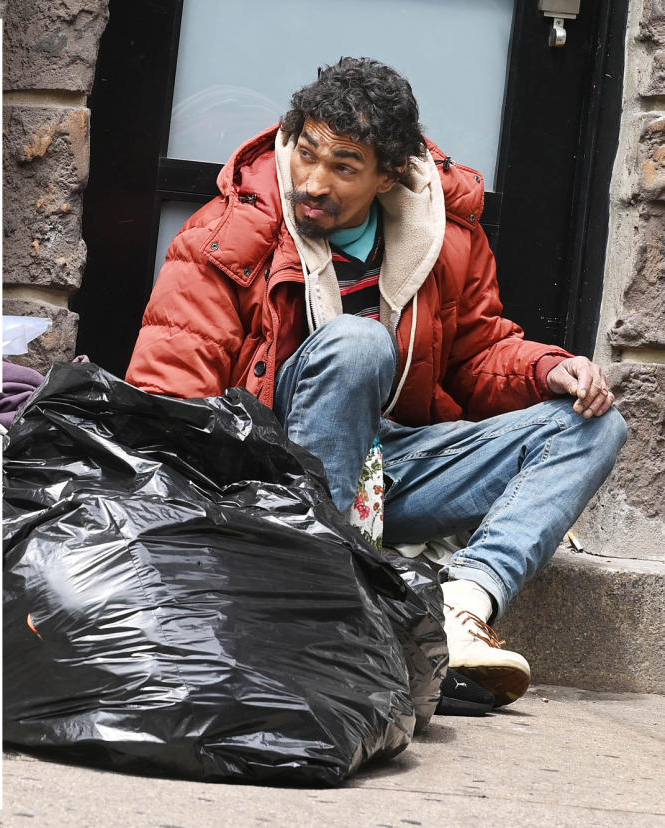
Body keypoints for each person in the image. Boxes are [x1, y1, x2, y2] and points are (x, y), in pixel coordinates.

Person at [125, 57, 626, 709]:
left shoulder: (443, 238)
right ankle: (320, 596)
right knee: (360, 343)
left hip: (386, 465)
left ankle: (461, 607)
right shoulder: (229, 234)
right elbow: (169, 393)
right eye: (305, 153)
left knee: (594, 425)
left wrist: (545, 369)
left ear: (388, 176)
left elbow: (477, 352)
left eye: (343, 167)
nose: (312, 180)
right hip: (269, 475)